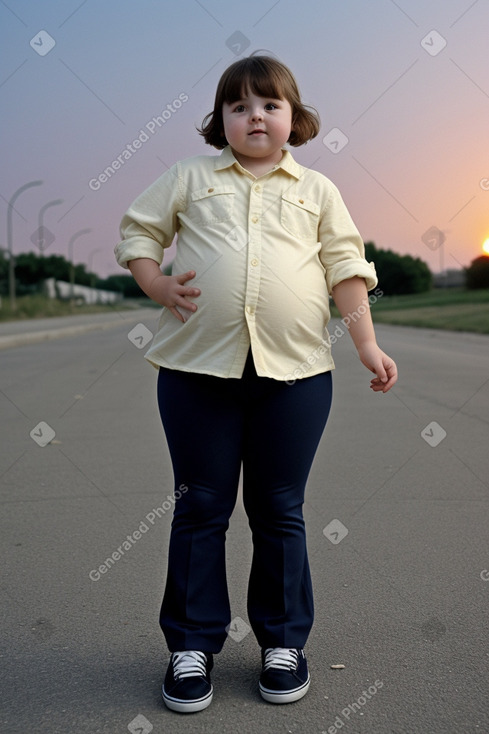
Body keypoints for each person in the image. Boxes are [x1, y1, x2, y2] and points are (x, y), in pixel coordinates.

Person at [115, 53, 397, 714]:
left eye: (269, 104)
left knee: (279, 508)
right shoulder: (190, 178)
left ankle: (282, 643)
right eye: (238, 106)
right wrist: (155, 281)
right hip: (195, 372)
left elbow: (344, 268)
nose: (255, 116)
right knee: (200, 507)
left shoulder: (317, 190)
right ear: (221, 122)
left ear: (293, 119)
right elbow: (140, 231)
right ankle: (189, 646)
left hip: (295, 376)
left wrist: (365, 343)